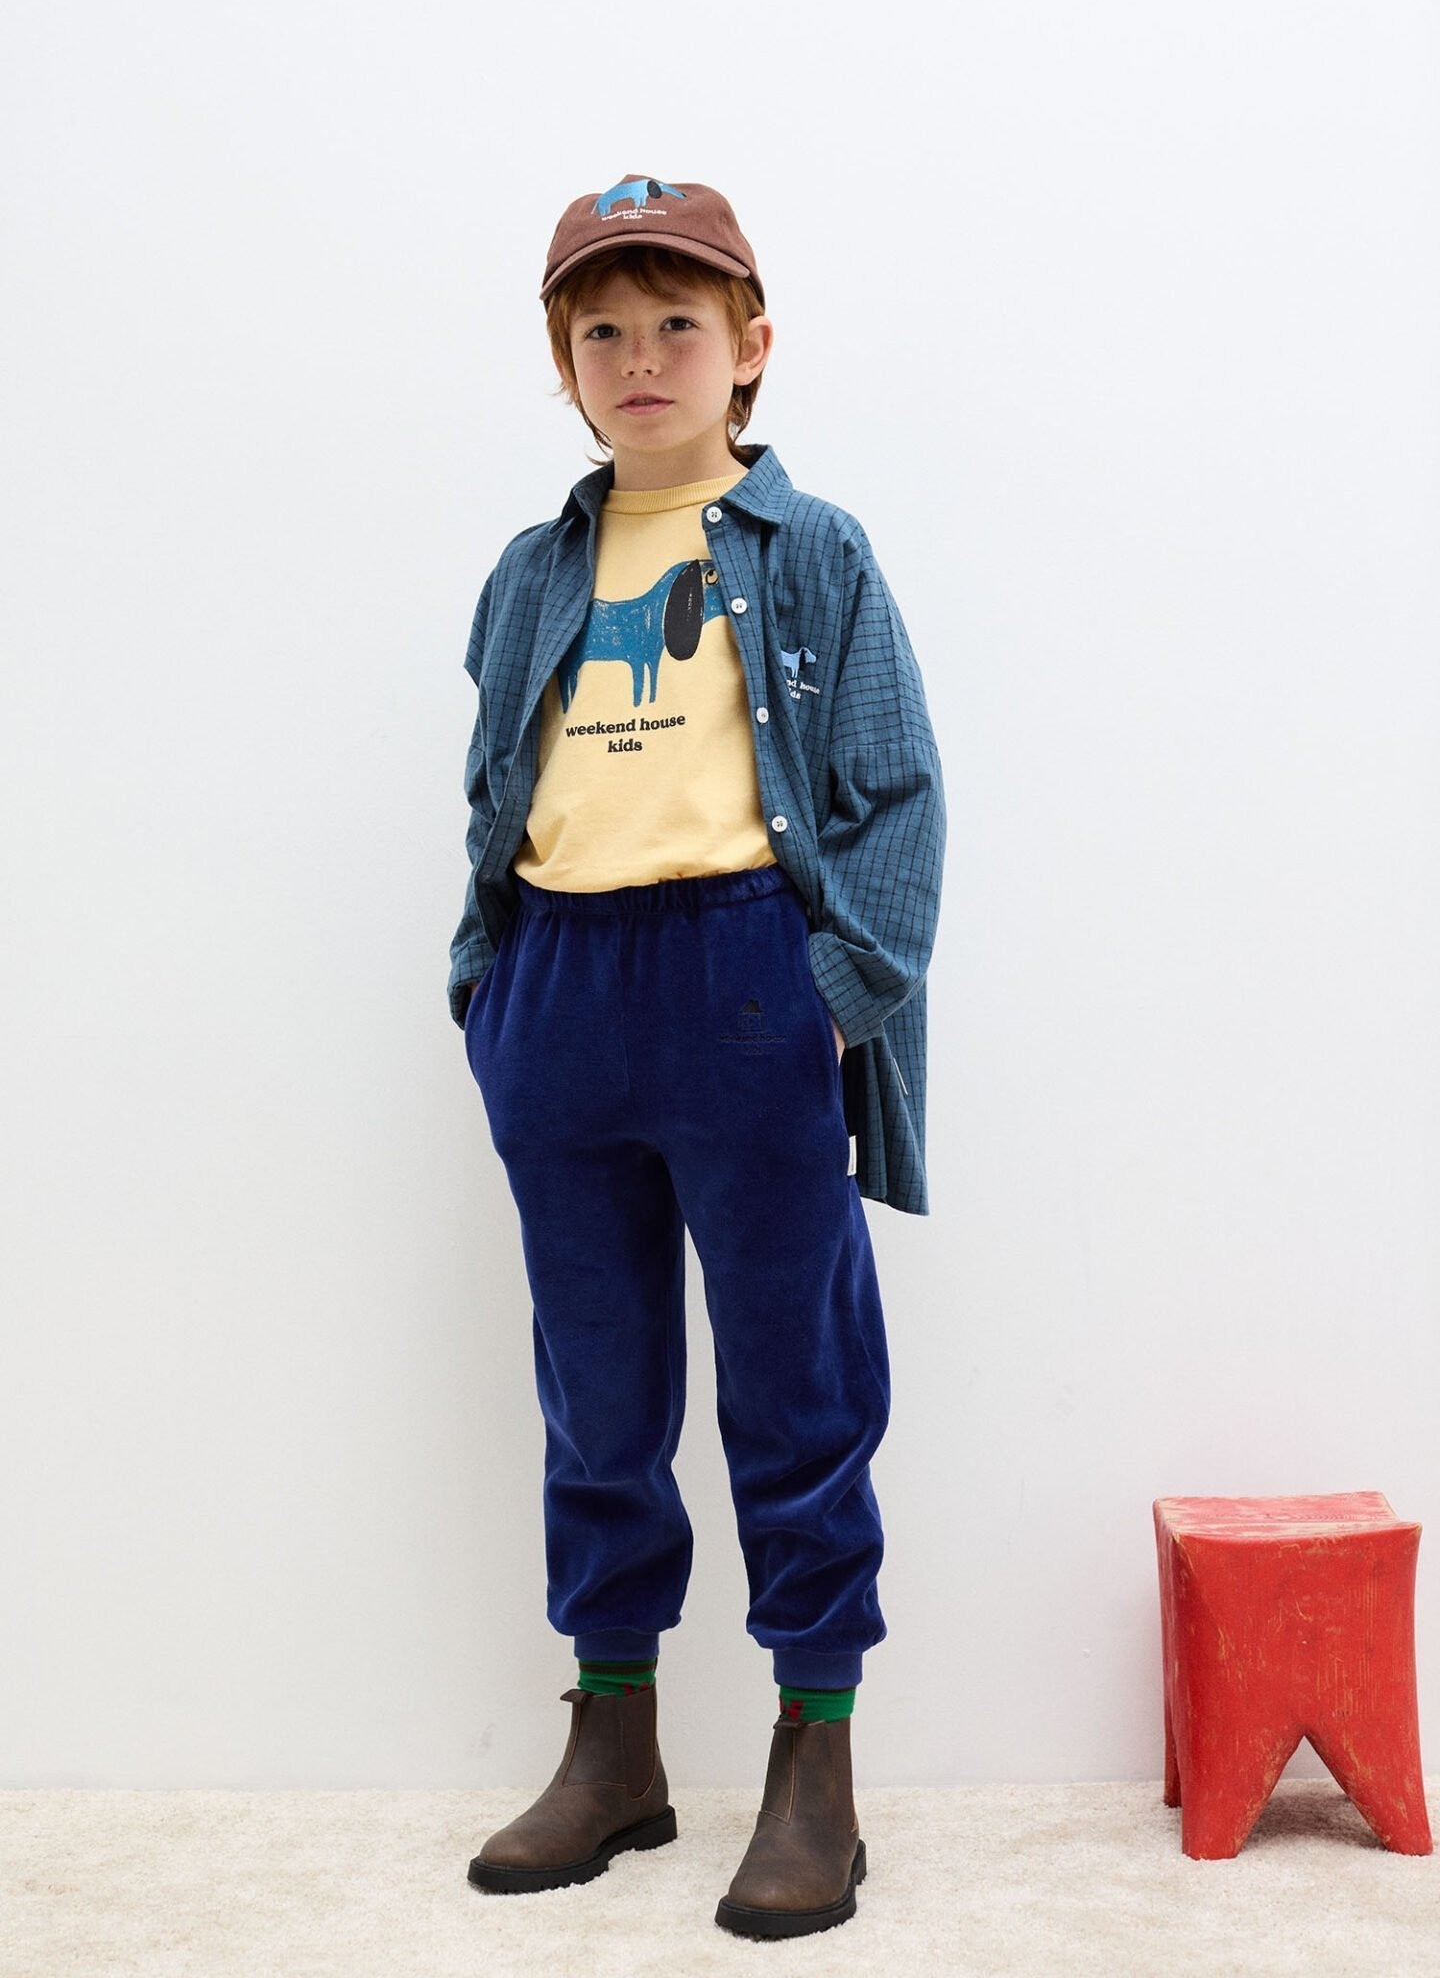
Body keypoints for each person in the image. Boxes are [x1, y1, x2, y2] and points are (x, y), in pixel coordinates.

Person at [452, 171, 945, 1940]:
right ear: (562, 366)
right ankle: (616, 1745)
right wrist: (489, 989)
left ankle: (818, 1758)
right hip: (560, 984)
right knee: (596, 1390)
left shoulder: (813, 551)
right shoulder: (533, 573)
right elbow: (495, 789)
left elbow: (895, 791)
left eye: (678, 323)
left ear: (750, 348)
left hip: (744, 981)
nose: (641, 357)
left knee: (797, 1381)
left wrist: (831, 995)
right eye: (603, 331)